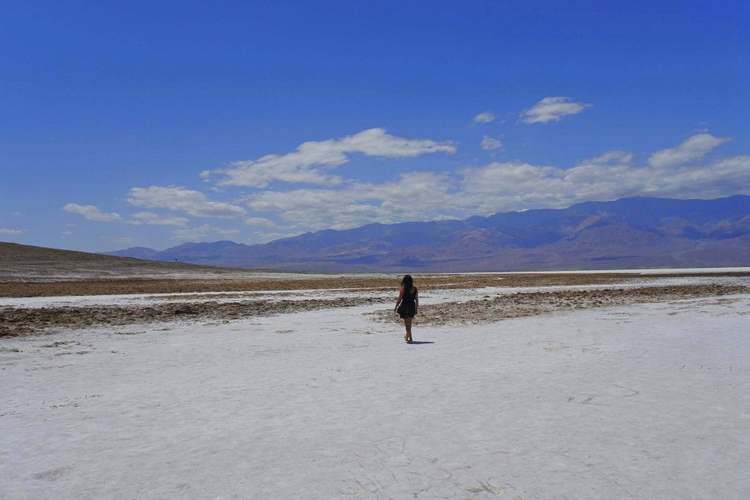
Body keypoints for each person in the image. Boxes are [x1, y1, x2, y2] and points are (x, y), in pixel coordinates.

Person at [394, 274, 418, 343]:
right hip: (412, 306)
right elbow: (416, 300)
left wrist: (396, 307)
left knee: (406, 324)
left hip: (405, 306)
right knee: (409, 323)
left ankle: (410, 338)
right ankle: (407, 337)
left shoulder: (403, 288)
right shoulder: (415, 288)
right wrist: (416, 309)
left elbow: (399, 299)